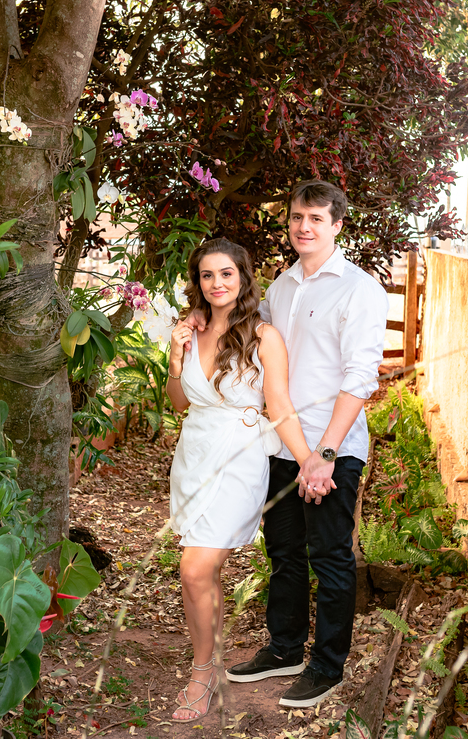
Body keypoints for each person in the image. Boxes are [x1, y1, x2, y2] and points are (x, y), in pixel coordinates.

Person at [221, 179, 388, 708]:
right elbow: (258, 349)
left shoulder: (360, 290)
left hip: (332, 448)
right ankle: (285, 649)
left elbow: (361, 377)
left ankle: (327, 666)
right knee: (285, 552)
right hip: (282, 445)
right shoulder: (281, 287)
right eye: (297, 217)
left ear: (337, 225)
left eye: (316, 219)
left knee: (331, 556)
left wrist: (327, 454)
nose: (304, 227)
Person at [164, 237, 313, 723]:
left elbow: (281, 408)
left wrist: (309, 460)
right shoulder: (190, 329)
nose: (217, 284)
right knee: (197, 569)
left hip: (240, 459)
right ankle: (206, 659)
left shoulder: (264, 337)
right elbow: (179, 403)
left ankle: (202, 673)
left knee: (195, 569)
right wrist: (173, 358)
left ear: (243, 277)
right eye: (207, 275)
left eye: (226, 274)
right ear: (198, 281)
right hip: (193, 457)